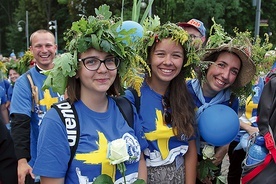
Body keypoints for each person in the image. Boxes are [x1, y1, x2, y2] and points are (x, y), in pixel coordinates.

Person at [33, 5, 148, 184]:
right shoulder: (57, 121)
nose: (102, 69)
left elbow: (140, 161)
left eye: (109, 60)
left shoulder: (126, 108)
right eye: (91, 61)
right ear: (75, 69)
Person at [124, 21, 198, 183]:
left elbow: (190, 151)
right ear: (149, 58)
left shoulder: (185, 96)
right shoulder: (132, 97)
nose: (168, 62)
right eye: (160, 54)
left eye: (176, 55)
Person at [187, 32, 256, 183]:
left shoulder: (231, 100)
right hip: (183, 163)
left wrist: (223, 149)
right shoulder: (184, 92)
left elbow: (229, 129)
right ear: (207, 65)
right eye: (221, 65)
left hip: (211, 163)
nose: (225, 75)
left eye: (233, 71)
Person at [10, 29, 63, 184]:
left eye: (48, 45)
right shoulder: (24, 82)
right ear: (31, 50)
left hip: (71, 154)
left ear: (55, 47)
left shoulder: (70, 76)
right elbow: (20, 123)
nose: (44, 50)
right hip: (41, 160)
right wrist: (22, 160)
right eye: (38, 46)